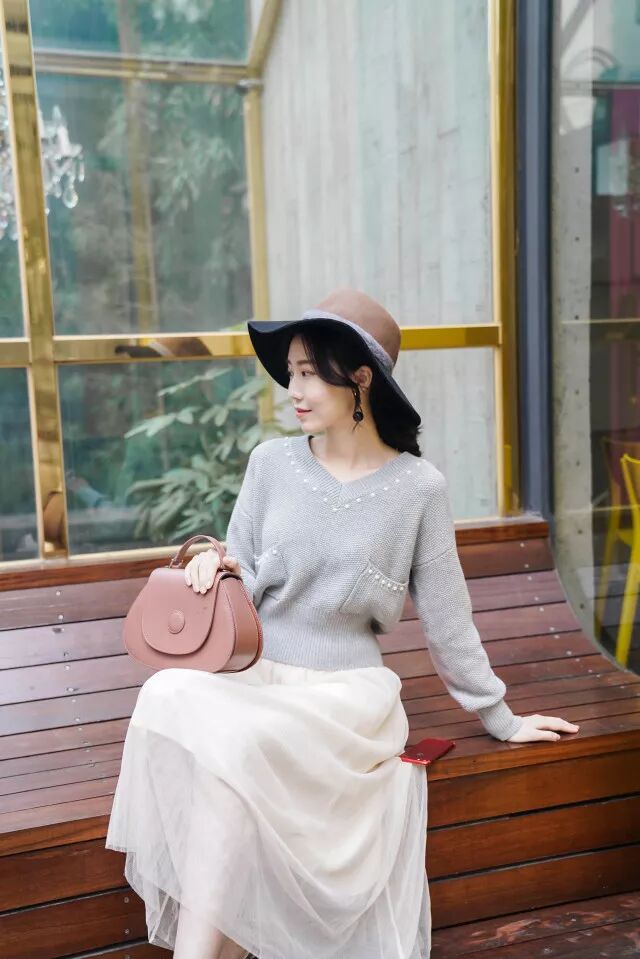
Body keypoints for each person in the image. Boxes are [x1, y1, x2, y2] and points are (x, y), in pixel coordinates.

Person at [105, 288, 579, 959]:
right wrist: (215, 564)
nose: (292, 390)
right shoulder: (271, 463)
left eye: (307, 373)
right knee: (173, 698)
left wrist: (501, 718)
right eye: (290, 372)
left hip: (343, 698)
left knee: (231, 758)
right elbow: (241, 564)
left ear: (359, 378)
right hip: (256, 677)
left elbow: (449, 621)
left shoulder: (418, 489)